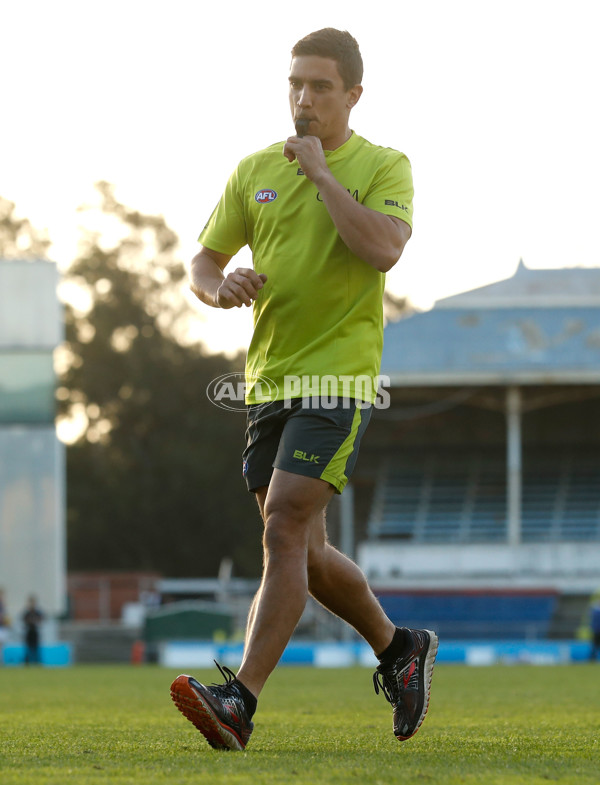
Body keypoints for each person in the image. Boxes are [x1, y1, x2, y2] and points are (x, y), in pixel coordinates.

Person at [170, 27, 438, 750]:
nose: (303, 99)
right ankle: (399, 647)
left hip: (338, 376)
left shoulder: (385, 164)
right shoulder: (254, 169)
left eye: (320, 86)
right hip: (268, 382)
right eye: (295, 83)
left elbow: (383, 248)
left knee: (283, 525)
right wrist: (217, 286)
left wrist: (322, 175)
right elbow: (202, 258)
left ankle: (239, 702)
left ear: (352, 94)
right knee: (304, 554)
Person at [22, 595, 44, 665]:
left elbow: (40, 620)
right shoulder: (27, 613)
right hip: (29, 632)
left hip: (35, 632)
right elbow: (25, 621)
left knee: (36, 648)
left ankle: (37, 662)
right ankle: (27, 662)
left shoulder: (37, 612)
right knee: (28, 648)